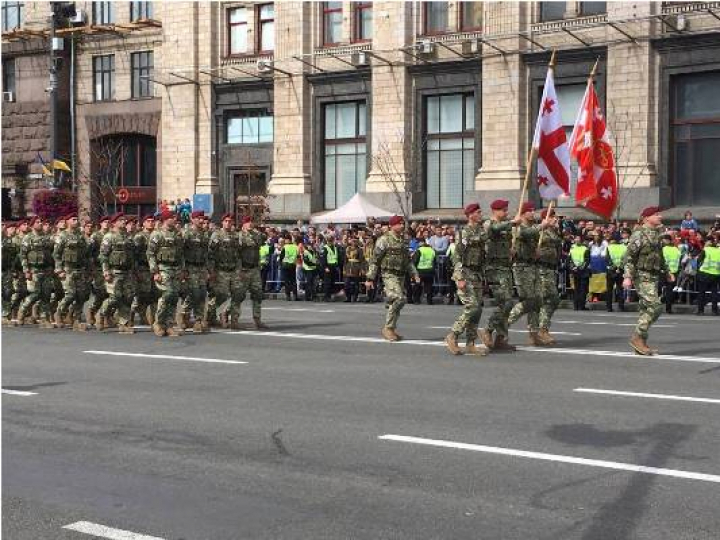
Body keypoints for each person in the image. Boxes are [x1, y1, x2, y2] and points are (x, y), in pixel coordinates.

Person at [623, 206, 672, 355]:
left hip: (653, 275)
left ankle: (641, 344)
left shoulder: (656, 234)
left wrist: (667, 271)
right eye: (656, 214)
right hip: (642, 275)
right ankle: (637, 336)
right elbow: (629, 257)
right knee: (655, 306)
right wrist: (627, 277)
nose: (660, 217)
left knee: (645, 309)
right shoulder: (639, 234)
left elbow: (659, 256)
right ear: (647, 218)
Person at [365, 215, 420, 342]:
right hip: (389, 274)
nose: (402, 226)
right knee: (400, 298)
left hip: (400, 275)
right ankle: (388, 328)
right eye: (399, 223)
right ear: (392, 225)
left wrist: (414, 274)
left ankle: (392, 329)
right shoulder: (384, 240)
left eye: (403, 223)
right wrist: (369, 278)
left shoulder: (403, 240)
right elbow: (375, 260)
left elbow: (407, 261)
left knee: (396, 302)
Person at [446, 203, 489, 356]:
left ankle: (471, 343)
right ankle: (453, 335)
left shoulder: (482, 231)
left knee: (478, 310)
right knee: (472, 307)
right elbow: (457, 256)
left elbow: (483, 256)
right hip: (466, 273)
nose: (480, 214)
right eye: (478, 212)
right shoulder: (464, 233)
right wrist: (459, 277)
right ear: (470, 215)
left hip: (477, 274)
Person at [480, 199, 518, 351]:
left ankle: (501, 338)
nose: (506, 212)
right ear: (495, 211)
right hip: (494, 269)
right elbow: (494, 229)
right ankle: (488, 329)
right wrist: (513, 223)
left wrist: (512, 249)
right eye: (503, 210)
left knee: (507, 304)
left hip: (505, 267)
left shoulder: (507, 225)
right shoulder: (488, 224)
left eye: (506, 209)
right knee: (506, 302)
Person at [507, 202, 544, 346]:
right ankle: (503, 324)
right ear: (523, 213)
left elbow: (532, 239)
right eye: (530, 210)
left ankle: (533, 333)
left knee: (537, 300)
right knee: (528, 301)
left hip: (532, 265)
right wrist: (542, 226)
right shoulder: (518, 227)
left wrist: (536, 251)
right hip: (521, 267)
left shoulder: (531, 227)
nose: (533, 213)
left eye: (533, 210)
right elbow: (525, 233)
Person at [147, 210, 185, 337]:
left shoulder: (177, 234)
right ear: (166, 219)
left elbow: (180, 255)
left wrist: (182, 270)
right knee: (167, 294)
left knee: (174, 296)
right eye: (172, 218)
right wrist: (155, 271)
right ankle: (158, 322)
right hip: (163, 268)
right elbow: (151, 254)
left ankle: (169, 325)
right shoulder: (157, 234)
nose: (175, 220)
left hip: (175, 269)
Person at [97, 213, 136, 334]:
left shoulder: (128, 237)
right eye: (120, 220)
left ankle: (123, 323)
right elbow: (103, 256)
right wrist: (106, 271)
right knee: (115, 297)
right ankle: (102, 313)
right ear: (114, 223)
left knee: (128, 297)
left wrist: (134, 271)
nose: (124, 222)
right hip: (114, 272)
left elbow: (132, 256)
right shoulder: (109, 237)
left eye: (124, 220)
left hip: (127, 272)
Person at [52, 213, 90, 331]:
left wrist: (87, 269)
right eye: (73, 219)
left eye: (76, 219)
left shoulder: (80, 236)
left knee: (81, 296)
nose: (76, 221)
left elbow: (85, 254)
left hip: (80, 269)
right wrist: (59, 270)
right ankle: (59, 313)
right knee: (70, 294)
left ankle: (76, 318)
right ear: (67, 221)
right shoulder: (62, 236)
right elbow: (56, 254)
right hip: (67, 269)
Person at [18, 217, 55, 327]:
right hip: (34, 270)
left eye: (40, 222)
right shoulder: (28, 238)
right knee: (35, 293)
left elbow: (50, 253)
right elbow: (23, 255)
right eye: (37, 222)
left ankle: (44, 319)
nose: (40, 224)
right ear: (32, 224)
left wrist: (51, 267)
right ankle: (22, 311)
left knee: (46, 294)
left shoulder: (45, 238)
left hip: (46, 270)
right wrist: (26, 270)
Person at [207, 213, 242, 328]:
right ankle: (214, 315)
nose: (228, 223)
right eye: (226, 221)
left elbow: (238, 254)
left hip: (233, 270)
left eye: (230, 221)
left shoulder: (236, 236)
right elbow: (210, 254)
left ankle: (234, 320)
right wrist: (211, 271)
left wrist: (239, 269)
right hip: (221, 270)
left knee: (238, 294)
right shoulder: (216, 235)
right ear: (222, 222)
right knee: (222, 295)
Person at [534, 208, 562, 345]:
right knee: (550, 299)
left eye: (555, 217)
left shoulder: (553, 231)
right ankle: (541, 330)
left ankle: (539, 330)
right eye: (552, 216)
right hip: (541, 269)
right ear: (545, 218)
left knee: (548, 300)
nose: (555, 219)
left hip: (551, 270)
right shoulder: (539, 231)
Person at [179, 211, 210, 332]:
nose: (201, 221)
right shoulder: (186, 233)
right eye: (198, 218)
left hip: (201, 267)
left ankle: (198, 320)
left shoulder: (205, 234)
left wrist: (208, 269)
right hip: (190, 267)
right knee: (193, 293)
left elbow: (207, 253)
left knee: (202, 293)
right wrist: (183, 269)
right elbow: (180, 252)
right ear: (192, 219)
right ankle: (184, 314)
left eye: (202, 218)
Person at [237, 215, 268, 329]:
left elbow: (264, 238)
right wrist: (238, 269)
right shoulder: (239, 236)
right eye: (247, 222)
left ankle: (257, 319)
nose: (250, 223)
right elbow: (237, 254)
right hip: (244, 269)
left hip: (255, 269)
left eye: (251, 221)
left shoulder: (257, 235)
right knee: (239, 295)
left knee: (257, 295)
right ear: (243, 224)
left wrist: (261, 228)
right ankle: (232, 318)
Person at [131, 215, 158, 325]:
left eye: (152, 221)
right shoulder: (139, 237)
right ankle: (131, 315)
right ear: (143, 223)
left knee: (154, 294)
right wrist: (136, 270)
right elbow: (134, 255)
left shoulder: (157, 235)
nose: (151, 223)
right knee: (142, 294)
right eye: (148, 221)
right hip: (143, 268)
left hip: (154, 268)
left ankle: (153, 318)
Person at [695, 232, 719, 316]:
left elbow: (698, 260)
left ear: (709, 242)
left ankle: (700, 311)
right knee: (714, 293)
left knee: (702, 293)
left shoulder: (706, 249)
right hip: (716, 274)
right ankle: (714, 311)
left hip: (704, 273)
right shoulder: (719, 250)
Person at [568, 235, 590, 311]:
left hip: (582, 271)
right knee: (577, 289)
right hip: (577, 271)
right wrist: (573, 267)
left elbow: (587, 260)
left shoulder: (585, 248)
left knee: (582, 289)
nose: (577, 239)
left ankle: (580, 305)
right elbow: (569, 259)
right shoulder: (572, 248)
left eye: (578, 238)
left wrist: (577, 267)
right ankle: (577, 305)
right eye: (576, 238)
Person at [606, 235, 627, 312]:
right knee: (620, 289)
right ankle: (621, 307)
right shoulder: (624, 247)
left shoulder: (609, 247)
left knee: (609, 290)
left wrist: (614, 268)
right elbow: (626, 259)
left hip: (611, 271)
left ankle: (609, 307)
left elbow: (607, 259)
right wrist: (619, 268)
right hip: (620, 271)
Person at [660, 233, 681, 313]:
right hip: (673, 272)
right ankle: (668, 309)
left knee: (657, 289)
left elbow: (661, 261)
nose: (663, 241)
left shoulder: (663, 249)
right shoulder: (677, 250)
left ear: (667, 240)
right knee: (669, 291)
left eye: (664, 240)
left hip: (664, 272)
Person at [413, 237, 436, 305]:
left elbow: (415, 261)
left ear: (422, 242)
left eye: (418, 243)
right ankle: (429, 301)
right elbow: (435, 261)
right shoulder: (432, 250)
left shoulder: (419, 250)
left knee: (417, 286)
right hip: (430, 271)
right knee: (429, 286)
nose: (418, 244)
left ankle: (417, 300)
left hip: (420, 271)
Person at [343, 236, 364, 302]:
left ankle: (355, 297)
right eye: (352, 241)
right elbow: (345, 260)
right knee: (346, 284)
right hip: (348, 267)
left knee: (356, 284)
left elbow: (361, 260)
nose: (354, 242)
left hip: (356, 267)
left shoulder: (359, 250)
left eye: (355, 241)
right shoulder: (347, 249)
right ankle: (348, 297)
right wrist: (344, 268)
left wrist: (361, 269)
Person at [279, 234, 300, 301]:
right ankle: (295, 295)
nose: (285, 241)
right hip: (293, 265)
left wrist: (280, 264)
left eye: (285, 239)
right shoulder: (295, 247)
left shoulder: (285, 247)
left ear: (288, 240)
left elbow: (281, 257)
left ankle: (288, 296)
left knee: (287, 281)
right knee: (293, 281)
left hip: (285, 265)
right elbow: (298, 256)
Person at [321, 234, 341, 302]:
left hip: (334, 267)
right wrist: (325, 267)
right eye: (329, 240)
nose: (330, 241)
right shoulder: (325, 248)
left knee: (332, 282)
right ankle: (326, 296)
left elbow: (337, 257)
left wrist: (337, 265)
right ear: (327, 241)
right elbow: (323, 259)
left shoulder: (335, 247)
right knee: (327, 282)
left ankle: (331, 296)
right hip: (328, 267)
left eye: (331, 240)